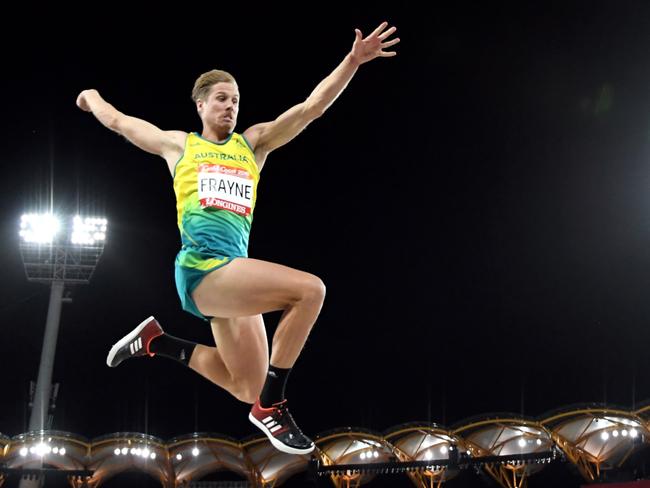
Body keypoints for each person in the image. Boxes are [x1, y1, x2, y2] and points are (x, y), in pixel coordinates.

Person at [76, 22, 399, 455]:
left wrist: (352, 62)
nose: (231, 107)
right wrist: (91, 97)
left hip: (235, 274)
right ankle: (274, 405)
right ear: (201, 105)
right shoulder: (180, 147)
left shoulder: (253, 146)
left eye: (236, 101)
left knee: (246, 383)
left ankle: (158, 342)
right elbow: (119, 121)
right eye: (222, 99)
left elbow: (309, 109)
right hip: (201, 271)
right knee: (310, 291)